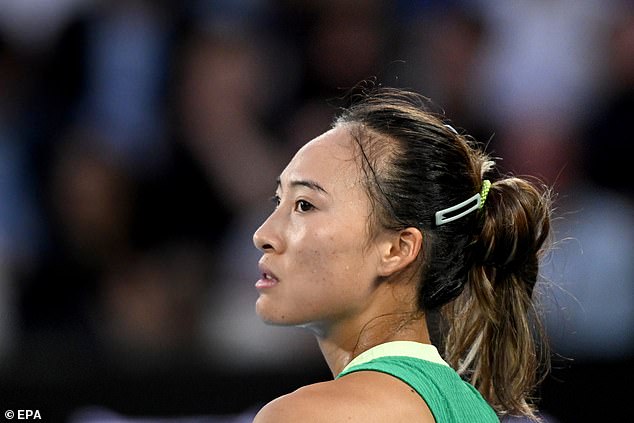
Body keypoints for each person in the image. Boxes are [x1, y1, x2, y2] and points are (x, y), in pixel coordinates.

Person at [251, 86, 553, 422]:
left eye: (305, 205)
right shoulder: (475, 410)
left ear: (397, 249)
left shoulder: (305, 415)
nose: (263, 235)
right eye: (279, 201)